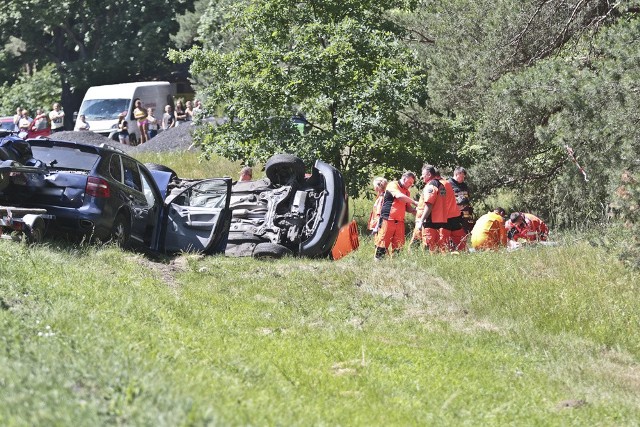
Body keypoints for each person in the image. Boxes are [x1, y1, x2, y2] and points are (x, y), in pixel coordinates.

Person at [373, 171, 418, 260]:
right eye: (409, 182)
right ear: (404, 179)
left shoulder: (407, 192)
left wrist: (415, 211)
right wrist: (415, 202)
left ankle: (396, 263)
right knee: (382, 243)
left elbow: (407, 207)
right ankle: (378, 262)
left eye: (412, 183)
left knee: (398, 245)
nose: (410, 185)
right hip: (388, 219)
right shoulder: (393, 185)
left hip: (400, 221)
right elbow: (399, 196)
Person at [415, 165, 459, 252]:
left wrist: (421, 220)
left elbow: (429, 204)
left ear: (428, 174)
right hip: (441, 222)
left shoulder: (431, 186)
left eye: (423, 174)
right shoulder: (441, 185)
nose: (421, 176)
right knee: (438, 248)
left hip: (430, 222)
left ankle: (427, 265)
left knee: (429, 247)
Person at [448, 166, 474, 250]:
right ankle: (452, 249)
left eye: (464, 177)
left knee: (464, 233)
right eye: (462, 176)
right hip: (454, 215)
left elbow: (467, 198)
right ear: (456, 174)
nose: (463, 178)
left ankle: (462, 249)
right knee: (453, 234)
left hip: (465, 216)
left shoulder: (464, 185)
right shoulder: (448, 184)